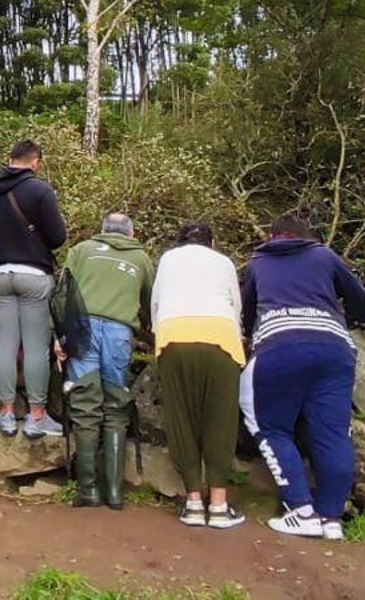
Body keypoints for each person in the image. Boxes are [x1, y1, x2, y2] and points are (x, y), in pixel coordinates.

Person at [239, 212, 365, 541]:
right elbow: (358, 297)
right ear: (308, 236)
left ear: (272, 237)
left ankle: (301, 510)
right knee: (333, 434)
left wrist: (247, 334)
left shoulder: (258, 263)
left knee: (268, 424)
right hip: (334, 349)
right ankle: (331, 517)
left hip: (279, 347)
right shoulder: (324, 255)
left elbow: (246, 311)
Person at [0, 138, 68, 439]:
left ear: (10, 159)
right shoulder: (40, 190)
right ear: (35, 162)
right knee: (36, 345)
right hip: (34, 273)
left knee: (5, 344)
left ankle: (7, 413)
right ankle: (37, 415)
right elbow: (57, 236)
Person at [53, 212, 154, 510]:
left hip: (83, 330)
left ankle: (88, 490)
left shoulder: (82, 250)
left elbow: (62, 295)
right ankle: (114, 492)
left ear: (102, 231)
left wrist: (60, 336)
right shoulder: (142, 260)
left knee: (85, 404)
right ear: (131, 233)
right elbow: (149, 303)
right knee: (115, 404)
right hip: (119, 333)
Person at [150, 222, 246, 529]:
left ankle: (192, 502)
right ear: (212, 242)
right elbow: (236, 305)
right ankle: (218, 505)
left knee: (182, 418)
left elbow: (155, 304)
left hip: (173, 334)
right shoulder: (224, 262)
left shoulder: (167, 259)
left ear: (180, 242)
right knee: (220, 419)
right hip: (220, 335)